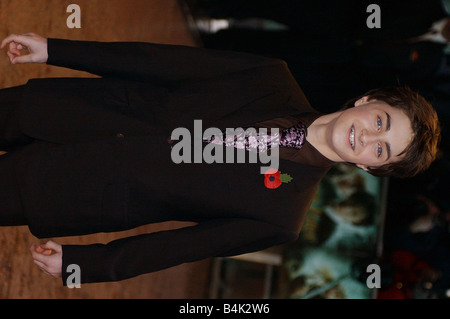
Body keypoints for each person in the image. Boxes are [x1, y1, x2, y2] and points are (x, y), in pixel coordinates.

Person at [0, 33, 441, 285]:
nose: (367, 136)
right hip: (63, 109)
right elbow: (157, 62)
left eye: (380, 149)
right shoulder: (271, 75)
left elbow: (177, 248)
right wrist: (55, 50)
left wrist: (86, 264)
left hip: (70, 193)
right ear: (368, 99)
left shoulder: (280, 216)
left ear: (369, 167)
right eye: (380, 121)